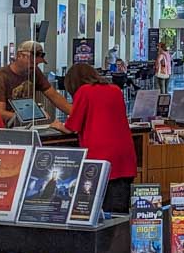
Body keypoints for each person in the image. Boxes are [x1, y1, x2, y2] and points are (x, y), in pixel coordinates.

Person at [50, 62, 136, 214]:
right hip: (125, 157)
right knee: (119, 211)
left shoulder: (84, 91)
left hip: (100, 160)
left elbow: (72, 126)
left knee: (100, 211)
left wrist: (56, 124)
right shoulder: (115, 89)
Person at [0, 41, 71, 125]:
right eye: (31, 62)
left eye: (37, 64)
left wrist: (77, 115)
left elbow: (55, 97)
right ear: (19, 56)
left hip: (25, 126)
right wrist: (30, 117)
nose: (34, 66)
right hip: (6, 129)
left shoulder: (34, 71)